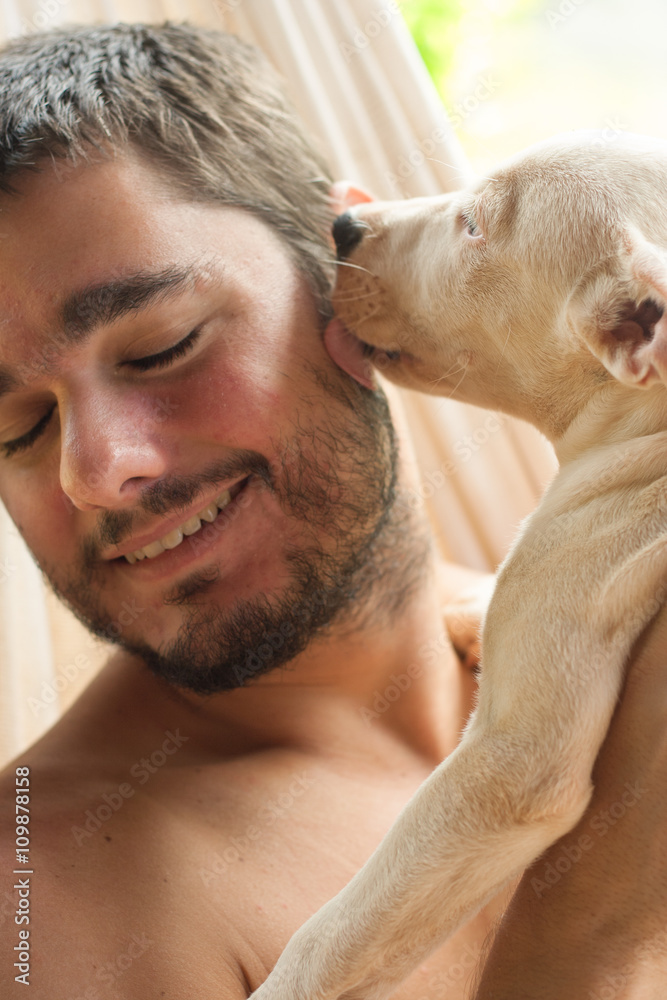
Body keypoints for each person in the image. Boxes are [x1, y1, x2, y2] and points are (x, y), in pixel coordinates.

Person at [0, 22, 665, 999]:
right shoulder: (40, 903)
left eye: (162, 347)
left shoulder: (582, 622)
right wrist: (600, 926)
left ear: (347, 270)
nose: (96, 471)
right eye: (15, 427)